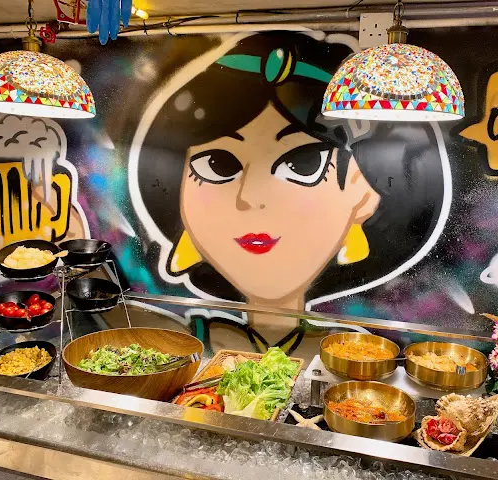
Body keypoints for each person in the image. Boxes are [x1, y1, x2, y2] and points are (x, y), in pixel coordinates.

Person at [130, 32, 449, 355]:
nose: (250, 198)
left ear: (362, 194)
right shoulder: (181, 342)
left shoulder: (352, 353)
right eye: (217, 164)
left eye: (303, 165)